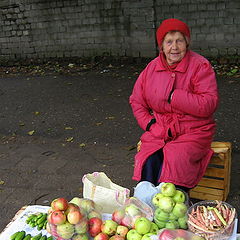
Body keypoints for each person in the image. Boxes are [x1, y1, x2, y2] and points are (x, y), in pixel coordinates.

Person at [129, 18, 219, 192]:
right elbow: (136, 101)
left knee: (176, 161)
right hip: (160, 129)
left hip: (193, 131)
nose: (174, 47)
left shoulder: (200, 66)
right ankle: (146, 202)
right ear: (161, 46)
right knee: (150, 159)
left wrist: (174, 96)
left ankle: (172, 205)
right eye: (169, 42)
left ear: (187, 42)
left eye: (179, 40)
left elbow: (209, 103)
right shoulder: (151, 68)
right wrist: (150, 124)